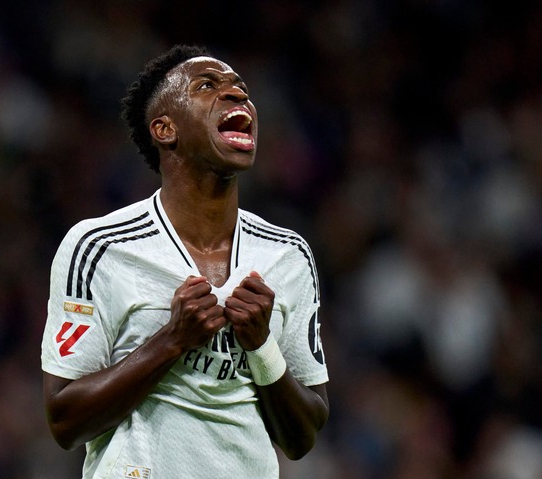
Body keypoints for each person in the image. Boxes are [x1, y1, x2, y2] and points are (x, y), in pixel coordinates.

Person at [41, 44, 330, 479]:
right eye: (208, 86)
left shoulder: (287, 255)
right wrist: (172, 340)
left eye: (241, 89)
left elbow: (301, 437)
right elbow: (65, 420)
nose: (237, 96)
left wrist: (261, 345)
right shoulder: (98, 247)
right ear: (164, 128)